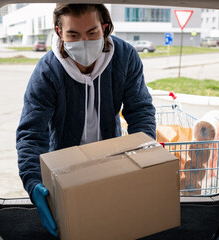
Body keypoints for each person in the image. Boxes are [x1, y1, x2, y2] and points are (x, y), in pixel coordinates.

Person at [16, 4, 156, 237]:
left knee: (114, 226)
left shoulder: (125, 57)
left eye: (92, 33)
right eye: (73, 34)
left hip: (112, 162)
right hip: (64, 168)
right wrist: (33, 181)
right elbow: (32, 132)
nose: (83, 42)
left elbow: (140, 111)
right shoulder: (47, 71)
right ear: (59, 32)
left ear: (106, 27)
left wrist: (142, 158)